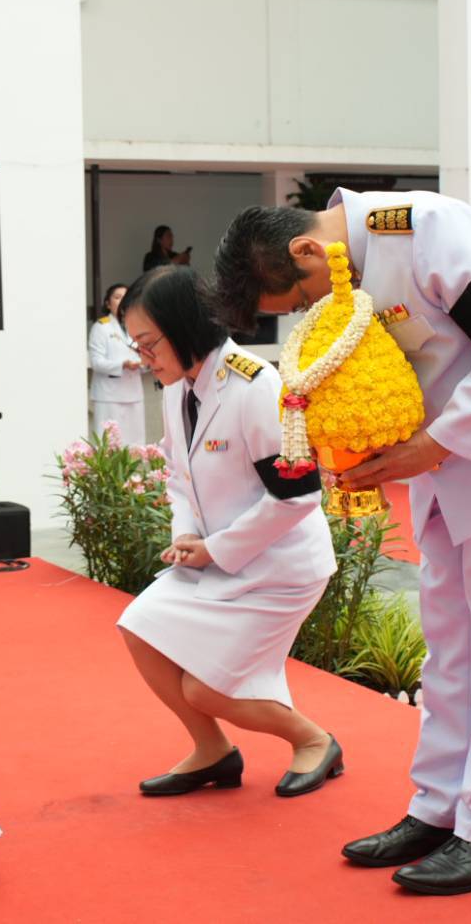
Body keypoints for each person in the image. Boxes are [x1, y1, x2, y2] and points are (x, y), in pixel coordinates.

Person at [213, 191, 471, 897]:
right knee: (449, 643)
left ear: (307, 251)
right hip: (439, 461)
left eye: (297, 299)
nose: (308, 312)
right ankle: (435, 808)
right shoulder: (346, 263)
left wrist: (430, 446)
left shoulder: (429, 229)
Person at [114, 266, 341, 800]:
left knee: (207, 688)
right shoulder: (178, 386)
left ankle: (316, 741)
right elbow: (178, 474)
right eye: (137, 346)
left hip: (279, 567)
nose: (143, 357)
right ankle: (213, 751)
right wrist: (187, 536)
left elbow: (300, 493)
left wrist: (216, 548)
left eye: (149, 343)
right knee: (139, 625)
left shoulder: (256, 387)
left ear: (186, 325)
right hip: (214, 558)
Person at [88, 283, 145, 444]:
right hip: (109, 396)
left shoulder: (136, 326)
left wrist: (144, 364)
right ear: (108, 303)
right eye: (117, 297)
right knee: (109, 445)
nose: (121, 301)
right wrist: (122, 365)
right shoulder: (101, 328)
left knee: (134, 445)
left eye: (125, 298)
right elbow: (96, 362)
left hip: (133, 393)